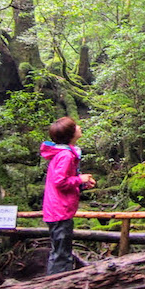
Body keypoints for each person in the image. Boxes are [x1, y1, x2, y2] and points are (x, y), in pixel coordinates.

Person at [41, 117, 96, 275]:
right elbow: (60, 181)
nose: (79, 127)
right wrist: (80, 179)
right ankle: (58, 288)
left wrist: (82, 184)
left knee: (60, 250)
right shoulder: (66, 155)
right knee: (61, 254)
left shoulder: (64, 153)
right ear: (71, 134)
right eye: (75, 126)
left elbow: (62, 181)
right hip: (59, 210)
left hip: (59, 209)